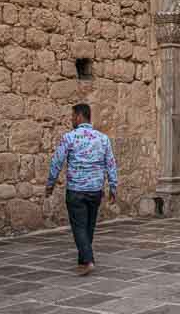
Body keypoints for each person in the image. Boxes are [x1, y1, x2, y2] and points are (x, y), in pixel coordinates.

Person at [45, 103, 118, 275]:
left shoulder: (69, 138)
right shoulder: (103, 138)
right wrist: (113, 187)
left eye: (72, 117)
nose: (71, 120)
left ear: (79, 116)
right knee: (88, 227)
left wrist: (50, 184)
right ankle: (82, 260)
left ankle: (88, 260)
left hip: (76, 190)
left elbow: (57, 161)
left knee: (79, 226)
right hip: (95, 190)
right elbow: (110, 164)